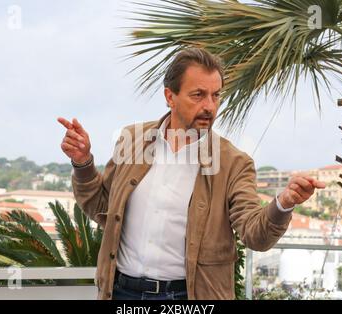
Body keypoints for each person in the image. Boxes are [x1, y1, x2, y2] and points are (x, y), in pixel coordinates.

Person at [58, 48, 326, 300]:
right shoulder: (132, 140)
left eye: (216, 95)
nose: (209, 106)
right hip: (121, 291)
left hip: (189, 296)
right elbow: (102, 206)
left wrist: (284, 203)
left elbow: (254, 234)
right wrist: (83, 163)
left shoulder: (234, 163)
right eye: (198, 95)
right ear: (170, 96)